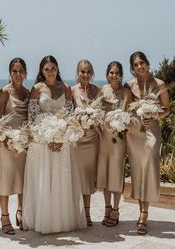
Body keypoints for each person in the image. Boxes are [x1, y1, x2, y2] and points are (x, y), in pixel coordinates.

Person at [22, 55, 86, 234]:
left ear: (58, 69)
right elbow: (32, 119)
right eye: (46, 69)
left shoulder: (65, 87)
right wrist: (47, 138)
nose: (50, 72)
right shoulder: (36, 88)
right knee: (44, 180)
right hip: (42, 144)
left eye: (53, 68)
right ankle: (43, 220)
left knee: (60, 181)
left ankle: (61, 220)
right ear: (42, 71)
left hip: (62, 143)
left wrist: (61, 138)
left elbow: (70, 117)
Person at [126, 51, 169, 235]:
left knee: (150, 166)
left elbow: (167, 109)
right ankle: (141, 210)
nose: (139, 67)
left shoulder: (159, 84)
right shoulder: (128, 85)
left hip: (152, 131)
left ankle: (145, 213)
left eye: (141, 63)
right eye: (135, 65)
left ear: (147, 63)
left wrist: (155, 115)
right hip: (134, 133)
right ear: (132, 68)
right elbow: (125, 107)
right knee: (137, 170)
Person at [0, 58, 29, 234]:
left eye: (21, 70)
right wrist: (5, 141)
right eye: (14, 71)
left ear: (25, 73)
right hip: (7, 143)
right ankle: (4, 216)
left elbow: (29, 119)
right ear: (10, 73)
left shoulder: (28, 93)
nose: (18, 74)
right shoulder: (4, 92)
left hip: (23, 144)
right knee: (6, 180)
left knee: (23, 179)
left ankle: (21, 212)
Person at [97, 61, 132, 227]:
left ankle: (116, 210)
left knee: (116, 174)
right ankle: (107, 208)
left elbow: (129, 116)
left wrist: (119, 124)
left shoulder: (126, 92)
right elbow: (98, 112)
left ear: (121, 75)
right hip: (104, 138)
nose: (114, 75)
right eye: (111, 72)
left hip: (118, 139)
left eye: (117, 73)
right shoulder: (102, 90)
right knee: (105, 174)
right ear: (107, 74)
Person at [72, 59, 100, 226]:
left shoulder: (97, 90)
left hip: (91, 138)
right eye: (82, 71)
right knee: (75, 176)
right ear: (78, 73)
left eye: (88, 71)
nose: (85, 74)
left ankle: (87, 213)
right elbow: (68, 113)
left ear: (92, 74)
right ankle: (75, 212)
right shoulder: (71, 90)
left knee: (88, 176)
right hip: (76, 139)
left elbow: (101, 112)